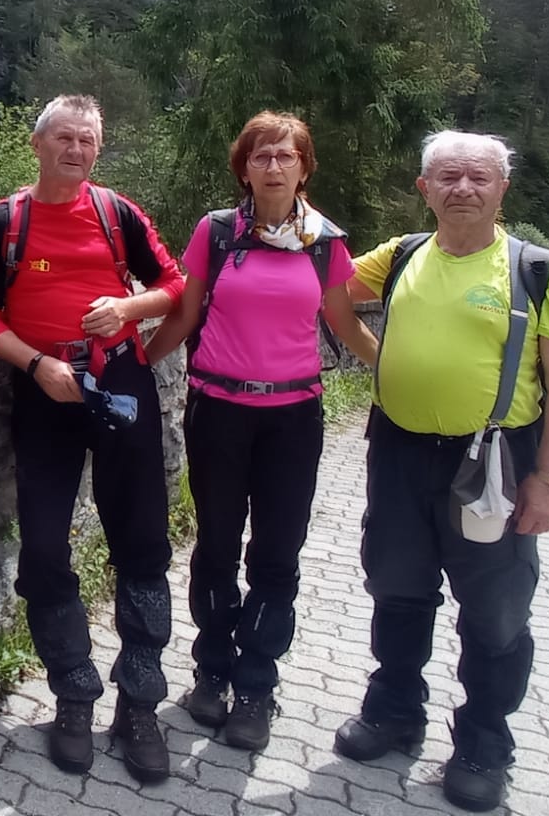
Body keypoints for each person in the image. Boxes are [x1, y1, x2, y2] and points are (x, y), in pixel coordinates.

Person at [334, 131, 549, 813]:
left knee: (495, 610)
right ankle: (394, 711)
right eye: (447, 177)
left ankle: (483, 742)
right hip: (398, 451)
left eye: (479, 177)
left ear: (503, 189)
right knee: (396, 587)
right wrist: (376, 354)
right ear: (425, 189)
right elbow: (326, 288)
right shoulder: (401, 254)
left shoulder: (536, 270)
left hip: (496, 461)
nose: (463, 189)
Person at [0, 94, 187, 784]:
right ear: (37, 144)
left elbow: (174, 285)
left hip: (120, 382)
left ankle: (140, 704)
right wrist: (36, 364)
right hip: (46, 390)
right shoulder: (5, 222)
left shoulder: (117, 213)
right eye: (65, 137)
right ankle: (73, 694)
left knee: (143, 542)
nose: (77, 150)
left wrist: (126, 306)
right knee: (42, 543)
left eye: (88, 140)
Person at [143, 111, 378, 752]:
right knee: (217, 545)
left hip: (293, 420)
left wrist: (395, 371)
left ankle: (255, 685)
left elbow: (345, 322)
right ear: (243, 169)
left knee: (277, 552)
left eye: (285, 156)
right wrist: (135, 366)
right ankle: (211, 671)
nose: (273, 166)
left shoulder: (325, 243)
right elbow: (185, 314)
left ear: (304, 168)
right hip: (218, 411)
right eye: (261, 156)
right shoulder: (217, 232)